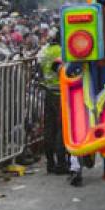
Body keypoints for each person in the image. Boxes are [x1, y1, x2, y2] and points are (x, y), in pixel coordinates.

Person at [39, 30, 68, 174]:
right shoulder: (62, 52)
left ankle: (50, 163)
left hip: (48, 92)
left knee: (48, 128)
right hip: (61, 93)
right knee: (61, 129)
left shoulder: (44, 50)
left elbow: (39, 69)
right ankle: (61, 164)